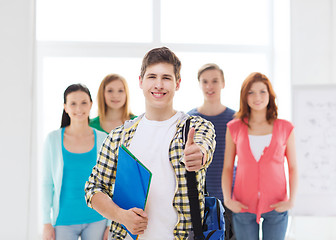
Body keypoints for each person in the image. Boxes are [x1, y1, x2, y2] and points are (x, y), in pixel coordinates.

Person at [84, 47, 216, 239]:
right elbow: (93, 189)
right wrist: (121, 216)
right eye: (152, 76)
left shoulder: (196, 127)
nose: (159, 84)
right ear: (141, 81)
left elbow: (203, 147)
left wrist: (199, 156)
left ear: (177, 83)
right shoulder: (119, 137)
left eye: (166, 78)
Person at [221, 72, 298, 240]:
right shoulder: (234, 128)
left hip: (277, 205)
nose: (257, 97)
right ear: (244, 96)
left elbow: (293, 167)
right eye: (251, 92)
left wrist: (291, 201)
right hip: (243, 205)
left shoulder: (285, 128)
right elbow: (227, 167)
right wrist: (228, 199)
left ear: (270, 95)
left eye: (262, 91)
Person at [41, 84, 110, 240]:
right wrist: (46, 223)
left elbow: (111, 183)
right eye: (73, 103)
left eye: (84, 102)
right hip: (64, 220)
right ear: (65, 107)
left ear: (91, 104)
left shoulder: (103, 138)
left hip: (97, 218)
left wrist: (109, 224)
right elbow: (46, 183)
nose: (79, 108)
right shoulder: (52, 139)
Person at [188, 63, 236, 240]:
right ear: (199, 84)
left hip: (231, 198)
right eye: (205, 81)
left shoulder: (235, 119)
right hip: (201, 200)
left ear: (223, 83)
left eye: (215, 81)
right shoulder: (190, 120)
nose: (210, 86)